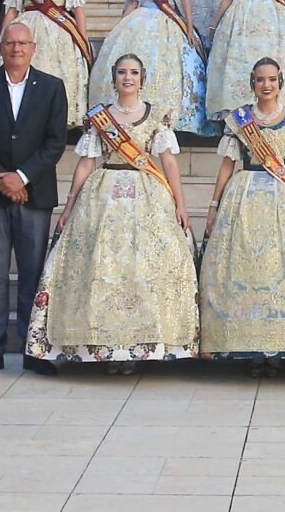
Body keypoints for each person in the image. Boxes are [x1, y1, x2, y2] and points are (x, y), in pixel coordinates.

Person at [28, 54, 199, 365]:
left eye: (134, 72)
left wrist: (180, 203)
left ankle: (142, 345)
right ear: (114, 77)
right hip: (102, 197)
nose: (128, 77)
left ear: (142, 78)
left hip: (148, 195)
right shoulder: (100, 118)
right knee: (101, 266)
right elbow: (86, 163)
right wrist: (70, 205)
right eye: (122, 72)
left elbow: (169, 162)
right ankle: (102, 349)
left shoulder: (156, 116)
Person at [201, 59, 285, 362]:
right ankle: (245, 345)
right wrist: (213, 204)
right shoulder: (239, 120)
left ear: (280, 83)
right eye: (261, 80)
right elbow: (226, 166)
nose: (266, 85)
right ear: (253, 83)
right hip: (244, 194)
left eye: (272, 79)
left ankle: (284, 346)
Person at [0, 21, 68, 374]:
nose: (16, 49)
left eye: (23, 43)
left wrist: (21, 177)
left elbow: (55, 142)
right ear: (1, 48)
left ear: (33, 48)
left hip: (34, 195)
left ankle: (33, 349)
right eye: (10, 43)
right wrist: (2, 179)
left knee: (32, 272)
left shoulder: (52, 87)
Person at [91, 0, 206, 134]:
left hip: (168, 22)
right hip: (140, 18)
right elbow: (133, 1)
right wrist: (119, 27)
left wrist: (189, 27)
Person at [0, 0, 91, 120]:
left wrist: (82, 36)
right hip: (27, 28)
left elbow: (78, 11)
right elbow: (12, 11)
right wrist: (3, 35)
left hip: (59, 30)